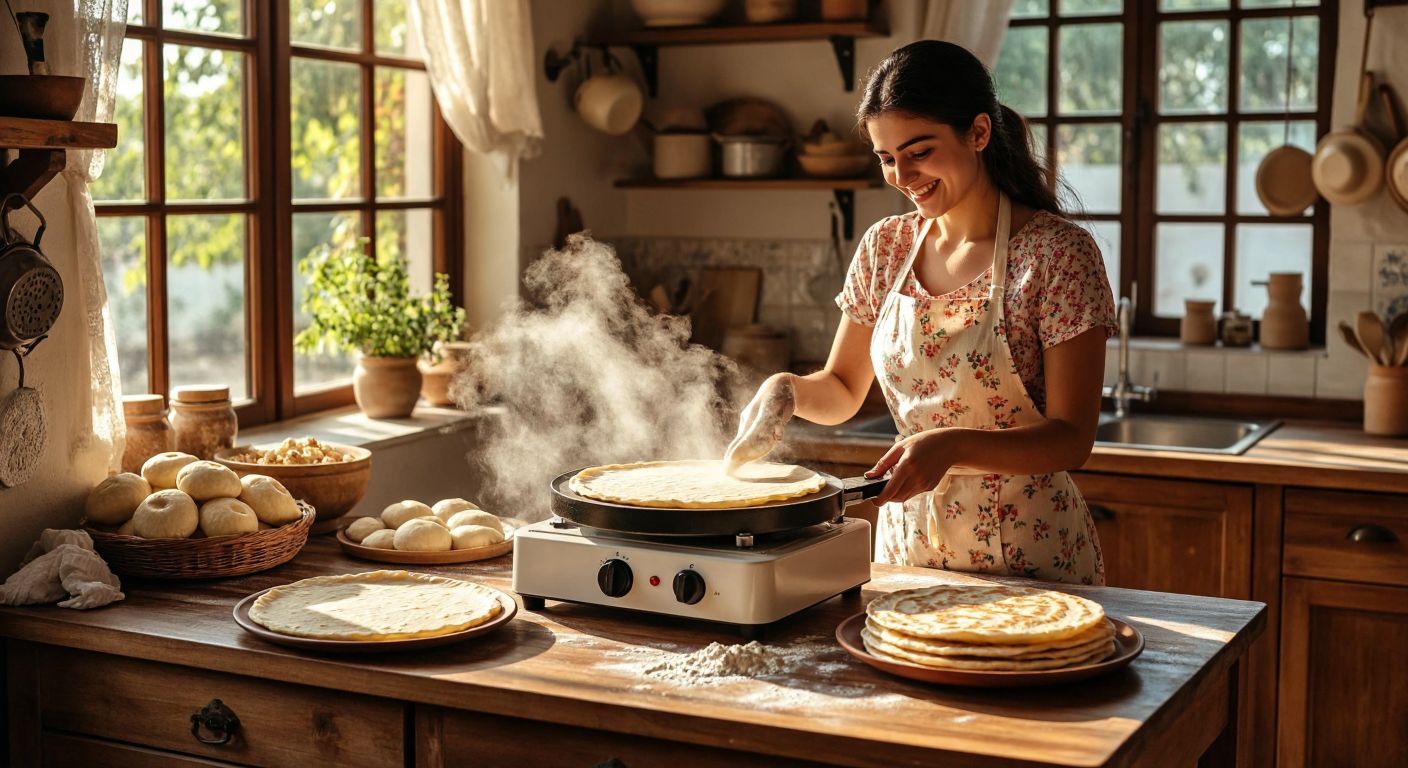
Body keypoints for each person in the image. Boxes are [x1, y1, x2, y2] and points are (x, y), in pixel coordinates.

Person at [725, 40, 1115, 585]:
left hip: (1031, 556)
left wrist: (950, 447)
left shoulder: (1057, 254)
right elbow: (841, 387)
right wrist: (785, 391)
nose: (902, 176)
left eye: (920, 151)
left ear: (978, 133)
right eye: (887, 158)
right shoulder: (885, 248)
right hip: (906, 553)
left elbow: (1072, 438)